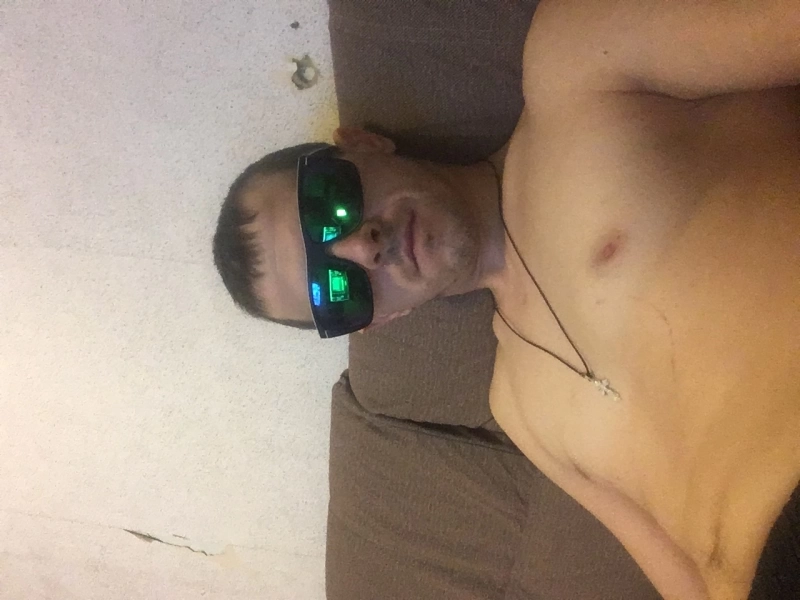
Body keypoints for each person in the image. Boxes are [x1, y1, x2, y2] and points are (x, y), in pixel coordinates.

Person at [213, 3, 800, 599]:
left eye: (328, 205)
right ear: (379, 320)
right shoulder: (519, 412)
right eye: (334, 292)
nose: (363, 247)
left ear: (362, 144)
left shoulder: (575, 67)